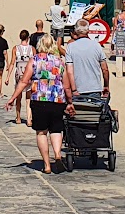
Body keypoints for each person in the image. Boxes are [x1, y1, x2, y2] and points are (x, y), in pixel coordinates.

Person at [6, 33, 74, 173]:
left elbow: (24, 81)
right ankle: (57, 154)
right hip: (57, 100)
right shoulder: (60, 62)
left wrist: (13, 98)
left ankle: (47, 165)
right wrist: (70, 102)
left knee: (41, 132)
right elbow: (66, 86)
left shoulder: (35, 60)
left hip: (39, 99)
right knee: (56, 129)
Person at [64, 20, 110, 103]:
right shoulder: (96, 45)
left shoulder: (70, 47)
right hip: (95, 88)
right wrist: (106, 85)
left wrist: (74, 90)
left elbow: (69, 71)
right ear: (88, 31)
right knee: (95, 113)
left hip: (78, 89)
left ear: (75, 31)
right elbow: (105, 69)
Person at [10, 30, 34, 124]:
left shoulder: (15, 48)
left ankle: (18, 117)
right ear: (28, 38)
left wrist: (8, 76)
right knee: (28, 98)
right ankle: (29, 119)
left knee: (18, 97)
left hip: (19, 74)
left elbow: (12, 62)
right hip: (29, 74)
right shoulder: (32, 49)